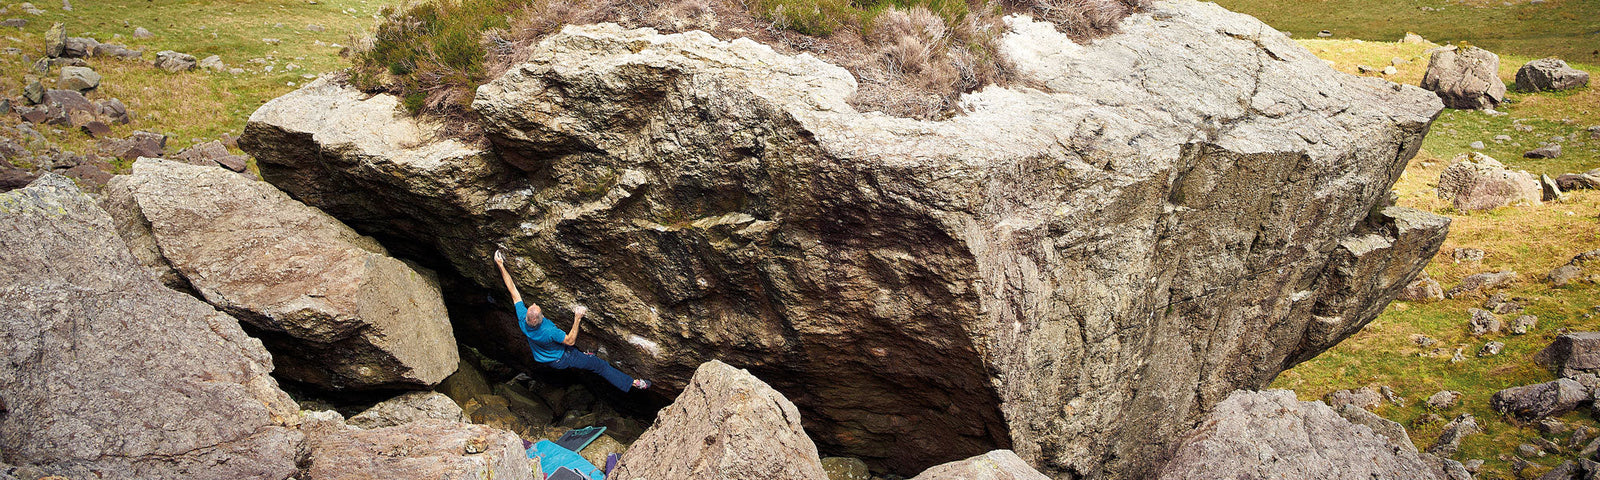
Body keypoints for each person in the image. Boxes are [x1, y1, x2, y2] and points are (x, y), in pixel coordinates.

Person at [495, 249, 650, 392]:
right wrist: (577, 318)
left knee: (578, 353)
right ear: (541, 319)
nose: (534, 304)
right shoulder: (549, 331)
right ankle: (633, 383)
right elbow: (569, 341)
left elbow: (513, 291)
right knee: (600, 365)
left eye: (533, 306)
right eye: (536, 307)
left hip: (548, 356)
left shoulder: (523, 320)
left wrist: (501, 265)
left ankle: (586, 355)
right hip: (563, 357)